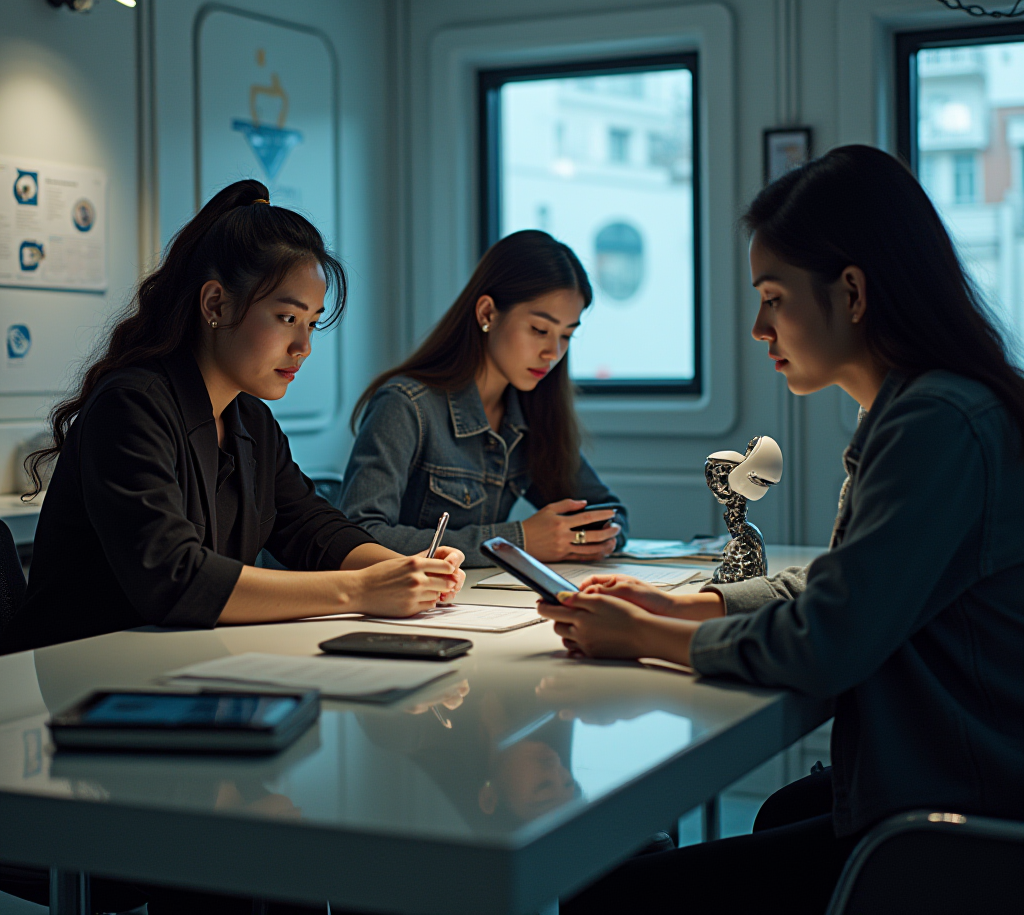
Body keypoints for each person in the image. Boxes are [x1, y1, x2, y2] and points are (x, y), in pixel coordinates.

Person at [538, 145, 1024, 915]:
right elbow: (847, 580)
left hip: (960, 822)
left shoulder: (937, 422)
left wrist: (640, 638)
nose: (761, 326)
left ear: (853, 292)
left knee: (611, 895)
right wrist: (691, 607)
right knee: (780, 814)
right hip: (951, 781)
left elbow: (829, 640)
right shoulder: (915, 407)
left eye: (774, 297)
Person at [1, 179, 465, 658]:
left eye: (312, 323)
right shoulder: (130, 406)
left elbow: (312, 528)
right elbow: (175, 578)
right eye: (288, 318)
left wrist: (409, 570)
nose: (303, 347)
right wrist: (363, 590)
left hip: (178, 670)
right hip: (80, 682)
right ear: (216, 304)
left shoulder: (250, 419)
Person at [339, 230, 628, 567]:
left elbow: (611, 513)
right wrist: (517, 541)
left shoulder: (531, 416)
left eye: (567, 335)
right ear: (487, 313)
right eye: (539, 329)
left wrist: (582, 536)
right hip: (406, 609)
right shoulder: (406, 405)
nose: (554, 352)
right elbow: (358, 535)